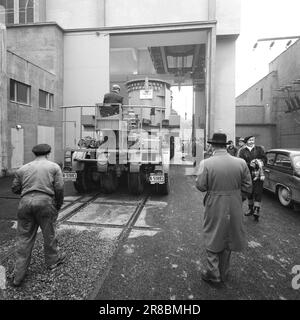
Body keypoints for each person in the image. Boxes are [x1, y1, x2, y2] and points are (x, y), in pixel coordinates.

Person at [196, 133, 252, 283]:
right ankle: (224, 272)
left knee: (212, 233)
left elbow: (201, 186)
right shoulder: (240, 162)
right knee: (228, 236)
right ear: (226, 145)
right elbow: (248, 186)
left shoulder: (206, 163)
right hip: (235, 203)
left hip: (214, 202)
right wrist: (239, 199)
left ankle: (213, 274)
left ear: (212, 146)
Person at [11, 144, 65, 287]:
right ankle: (53, 262)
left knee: (24, 238)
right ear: (48, 153)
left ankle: (18, 276)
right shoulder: (54, 167)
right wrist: (58, 205)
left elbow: (15, 188)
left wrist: (28, 193)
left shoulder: (22, 168)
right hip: (45, 203)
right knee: (49, 234)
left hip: (25, 203)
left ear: (34, 153)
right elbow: (59, 188)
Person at [238, 136, 267, 221]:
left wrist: (258, 162)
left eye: (253, 140)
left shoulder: (259, 149)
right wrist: (249, 164)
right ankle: (250, 209)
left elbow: (265, 159)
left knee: (258, 192)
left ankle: (256, 211)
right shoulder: (243, 151)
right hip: (247, 175)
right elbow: (241, 162)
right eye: (250, 140)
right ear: (246, 142)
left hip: (258, 175)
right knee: (249, 192)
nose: (252, 141)